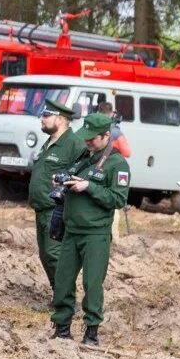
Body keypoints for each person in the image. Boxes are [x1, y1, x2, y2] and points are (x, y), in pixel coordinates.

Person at [50, 113, 130, 346]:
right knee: (63, 281)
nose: (88, 142)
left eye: (92, 139)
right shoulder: (84, 157)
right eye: (85, 138)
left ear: (107, 136)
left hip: (95, 233)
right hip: (72, 230)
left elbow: (117, 198)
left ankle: (91, 332)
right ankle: (62, 328)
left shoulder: (117, 164)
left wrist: (89, 187)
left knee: (92, 284)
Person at [27, 98, 87, 294]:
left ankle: (66, 299)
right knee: (45, 255)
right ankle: (58, 295)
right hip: (41, 208)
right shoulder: (50, 142)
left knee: (55, 254)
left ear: (60, 119)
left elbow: (83, 175)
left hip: (57, 209)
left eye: (46, 116)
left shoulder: (74, 144)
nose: (42, 119)